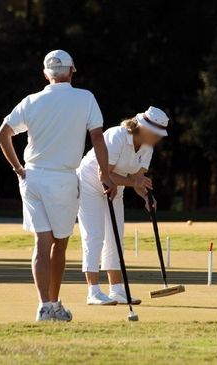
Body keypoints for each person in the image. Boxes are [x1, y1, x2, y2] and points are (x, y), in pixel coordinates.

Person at [0, 49, 116, 321]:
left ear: (45, 74)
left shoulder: (31, 100)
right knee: (58, 244)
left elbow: (2, 134)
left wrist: (18, 168)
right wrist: (105, 174)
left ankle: (45, 306)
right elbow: (97, 138)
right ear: (71, 71)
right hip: (62, 179)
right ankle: (53, 304)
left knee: (42, 241)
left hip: (32, 177)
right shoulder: (85, 98)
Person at [78, 106, 169, 305]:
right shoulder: (116, 136)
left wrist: (146, 196)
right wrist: (134, 183)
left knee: (115, 236)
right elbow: (106, 173)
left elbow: (138, 178)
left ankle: (117, 290)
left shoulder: (147, 148)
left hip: (115, 186)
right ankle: (93, 291)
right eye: (156, 134)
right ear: (142, 128)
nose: (158, 138)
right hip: (90, 182)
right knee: (94, 235)